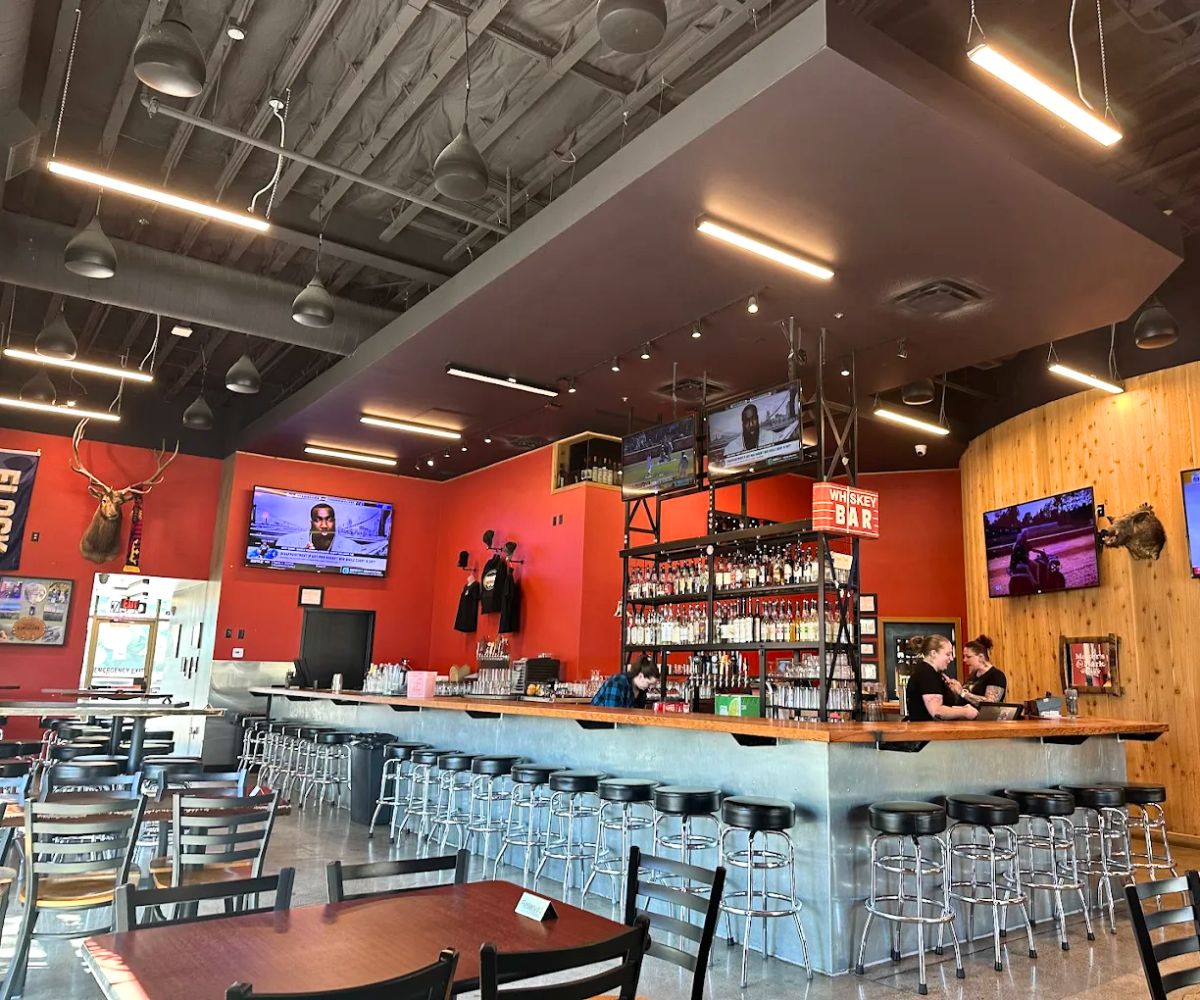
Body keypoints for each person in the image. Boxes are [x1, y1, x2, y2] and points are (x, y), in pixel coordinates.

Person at [904, 634, 978, 722]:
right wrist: (965, 712)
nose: (951, 658)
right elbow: (936, 711)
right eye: (948, 654)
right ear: (933, 653)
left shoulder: (933, 673)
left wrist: (960, 708)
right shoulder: (927, 674)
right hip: (927, 733)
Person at [949, 635, 1008, 705]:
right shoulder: (973, 675)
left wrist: (962, 692)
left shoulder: (996, 675)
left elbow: (990, 703)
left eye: (968, 657)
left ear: (981, 657)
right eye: (964, 656)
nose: (964, 660)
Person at [276, 503, 358, 553]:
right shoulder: (287, 542)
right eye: (318, 520)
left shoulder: (351, 547)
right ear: (311, 523)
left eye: (329, 520)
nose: (324, 526)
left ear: (334, 522)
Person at [591, 656, 660, 708]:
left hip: (621, 725)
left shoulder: (641, 689)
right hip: (598, 724)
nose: (650, 687)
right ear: (640, 676)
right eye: (649, 683)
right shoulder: (617, 683)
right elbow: (612, 714)